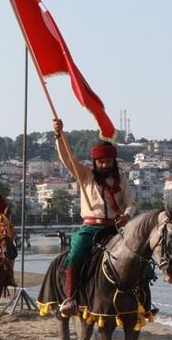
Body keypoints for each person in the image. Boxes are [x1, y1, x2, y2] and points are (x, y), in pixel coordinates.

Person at [53, 118, 136, 316]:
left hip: (115, 227)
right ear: (95, 162)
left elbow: (131, 203)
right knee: (77, 252)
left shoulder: (121, 180)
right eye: (101, 161)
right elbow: (67, 157)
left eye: (108, 161)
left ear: (113, 161)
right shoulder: (85, 174)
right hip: (91, 227)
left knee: (137, 253)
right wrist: (59, 134)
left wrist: (126, 216)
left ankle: (140, 295)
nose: (105, 165)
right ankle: (70, 297)